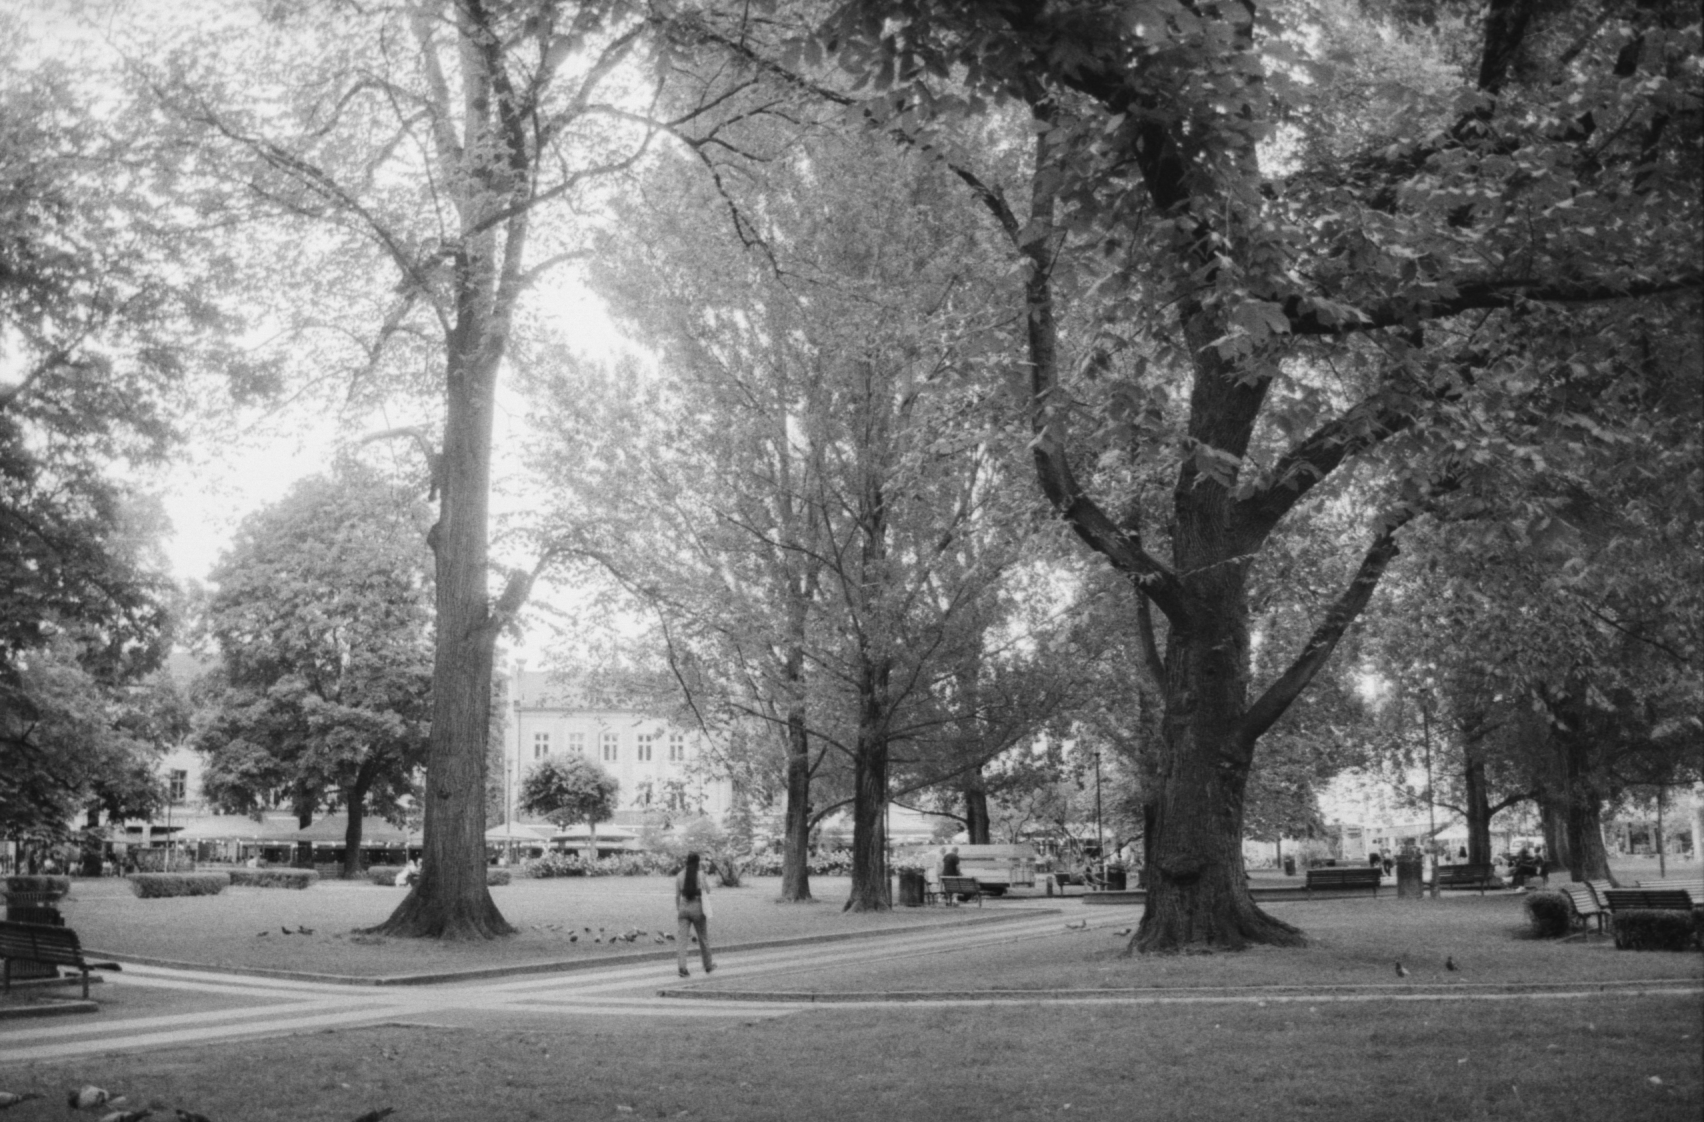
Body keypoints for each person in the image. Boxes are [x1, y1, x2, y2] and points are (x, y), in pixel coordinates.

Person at [674, 851, 714, 978]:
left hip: (683, 908)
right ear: (697, 862)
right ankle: (708, 965)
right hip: (697, 908)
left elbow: (677, 896)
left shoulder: (680, 875)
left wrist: (679, 910)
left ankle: (682, 968)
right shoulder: (700, 874)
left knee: (682, 941)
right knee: (703, 937)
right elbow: (708, 890)